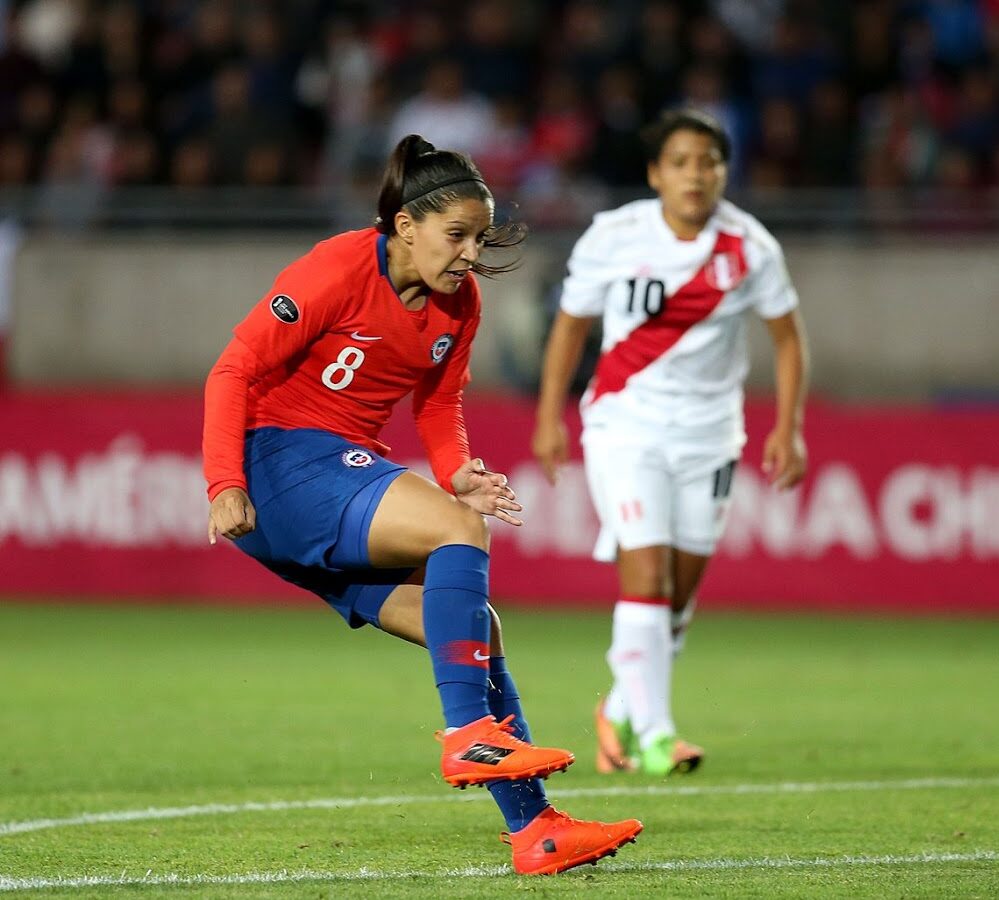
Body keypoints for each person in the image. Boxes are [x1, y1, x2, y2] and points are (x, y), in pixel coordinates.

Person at [202, 134, 642, 876]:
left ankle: (535, 831)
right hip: (278, 463)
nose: (471, 254)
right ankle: (470, 729)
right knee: (455, 531)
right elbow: (233, 367)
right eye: (457, 235)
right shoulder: (339, 266)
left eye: (480, 237)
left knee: (478, 629)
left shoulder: (458, 304)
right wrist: (223, 483)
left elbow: (439, 403)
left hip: (331, 480)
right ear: (406, 225)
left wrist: (457, 470)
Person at [533, 108, 809, 777]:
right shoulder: (614, 236)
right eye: (682, 162)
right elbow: (571, 326)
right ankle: (656, 735)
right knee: (646, 577)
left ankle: (619, 714)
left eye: (709, 162)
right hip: (625, 425)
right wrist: (549, 417)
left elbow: (787, 337)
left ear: (723, 172)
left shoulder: (750, 247)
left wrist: (789, 426)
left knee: (677, 599)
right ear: (657, 173)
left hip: (710, 436)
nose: (696, 174)